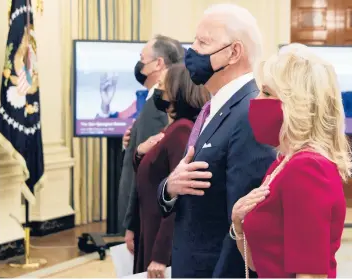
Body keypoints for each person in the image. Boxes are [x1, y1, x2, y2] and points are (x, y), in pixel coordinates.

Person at [156, 4, 276, 278]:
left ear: (234, 52)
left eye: (203, 42)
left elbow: (244, 222)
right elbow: (185, 183)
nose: (192, 50)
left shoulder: (250, 112)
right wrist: (169, 188)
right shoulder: (214, 108)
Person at [230, 43, 352, 278]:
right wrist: (238, 223)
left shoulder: (307, 169)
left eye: (267, 93)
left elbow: (310, 273)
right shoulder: (282, 163)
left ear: (297, 105)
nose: (256, 100)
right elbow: (259, 263)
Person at [132, 63, 209, 277]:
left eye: (162, 84)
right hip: (151, 226)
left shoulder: (182, 130)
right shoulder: (172, 128)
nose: (158, 89)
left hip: (161, 236)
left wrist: (160, 254)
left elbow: (178, 196)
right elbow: (152, 175)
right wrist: (139, 153)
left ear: (176, 90)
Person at [118, 35, 184, 261]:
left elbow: (150, 170)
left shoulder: (160, 104)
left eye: (142, 58)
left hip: (148, 216)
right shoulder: (151, 100)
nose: (139, 64)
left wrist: (132, 223)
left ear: (158, 64)